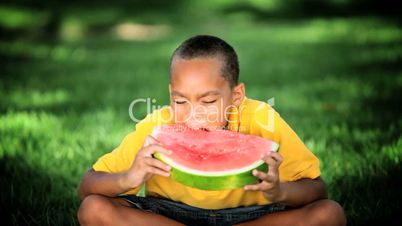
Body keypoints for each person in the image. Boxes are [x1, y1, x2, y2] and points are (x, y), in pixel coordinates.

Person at [77, 35, 346, 226]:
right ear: (170, 93)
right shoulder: (157, 126)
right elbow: (87, 186)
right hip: (169, 216)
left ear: (236, 95)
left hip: (252, 216)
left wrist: (280, 192)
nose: (193, 115)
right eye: (180, 101)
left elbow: (317, 189)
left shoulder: (262, 119)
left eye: (207, 101)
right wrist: (128, 178)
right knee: (93, 209)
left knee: (329, 215)